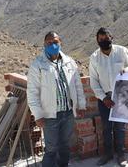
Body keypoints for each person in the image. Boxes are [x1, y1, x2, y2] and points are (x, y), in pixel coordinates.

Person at [27, 31, 86, 167]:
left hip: (68, 112)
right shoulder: (38, 65)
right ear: (44, 44)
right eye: (49, 43)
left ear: (60, 43)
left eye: (55, 42)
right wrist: (38, 114)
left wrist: (81, 105)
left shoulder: (69, 62)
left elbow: (77, 85)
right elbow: (32, 92)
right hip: (50, 115)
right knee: (51, 149)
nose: (52, 45)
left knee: (65, 145)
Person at [89, 27, 128, 166]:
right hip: (104, 98)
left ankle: (121, 154)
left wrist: (127, 69)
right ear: (97, 41)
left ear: (112, 37)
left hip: (121, 96)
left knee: (120, 127)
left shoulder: (122, 51)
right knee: (106, 127)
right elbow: (93, 80)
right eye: (101, 38)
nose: (104, 40)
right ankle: (108, 154)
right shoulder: (94, 57)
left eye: (106, 37)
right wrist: (103, 98)